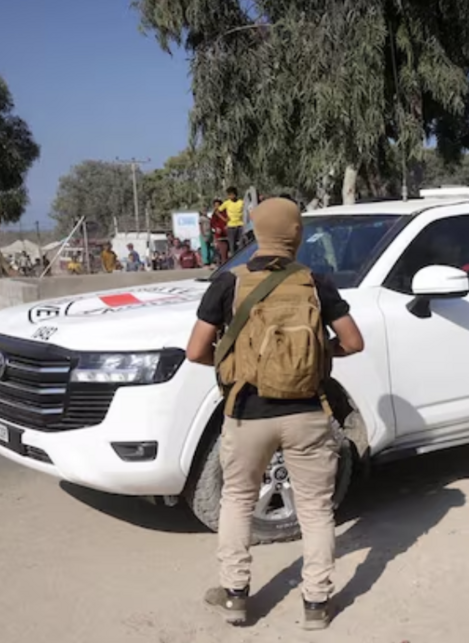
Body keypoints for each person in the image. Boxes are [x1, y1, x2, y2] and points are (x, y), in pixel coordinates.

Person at [186, 198, 365, 630]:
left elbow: (195, 351)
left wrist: (233, 364)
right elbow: (354, 342)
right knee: (316, 510)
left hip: (246, 413)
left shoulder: (228, 283)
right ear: (297, 234)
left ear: (256, 232)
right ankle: (317, 604)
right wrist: (319, 355)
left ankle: (234, 596)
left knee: (237, 500)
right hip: (308, 413)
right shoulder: (316, 283)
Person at [222, 187, 245, 255]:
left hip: (240, 225)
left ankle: (242, 257)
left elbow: (246, 211)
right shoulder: (226, 203)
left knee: (241, 244)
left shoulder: (241, 202)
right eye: (229, 195)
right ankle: (233, 257)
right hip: (231, 227)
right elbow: (217, 211)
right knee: (232, 245)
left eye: (232, 194)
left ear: (236, 194)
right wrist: (224, 219)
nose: (231, 196)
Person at [211, 198, 231, 264]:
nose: (217, 207)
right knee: (223, 251)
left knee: (228, 250)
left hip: (227, 234)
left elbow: (229, 220)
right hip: (219, 236)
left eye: (218, 205)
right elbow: (212, 224)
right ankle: (224, 263)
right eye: (215, 205)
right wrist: (216, 228)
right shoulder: (214, 215)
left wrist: (228, 225)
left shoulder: (226, 212)